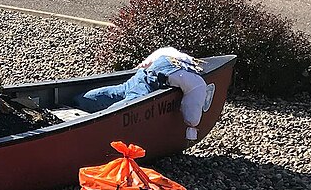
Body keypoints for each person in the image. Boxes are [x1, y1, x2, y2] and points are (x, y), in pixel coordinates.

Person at [74, 47, 216, 140]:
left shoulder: (174, 54)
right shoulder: (197, 81)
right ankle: (103, 121)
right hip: (152, 82)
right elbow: (192, 111)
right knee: (131, 102)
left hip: (142, 74)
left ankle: (82, 100)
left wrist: (140, 67)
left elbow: (149, 61)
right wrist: (192, 125)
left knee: (117, 91)